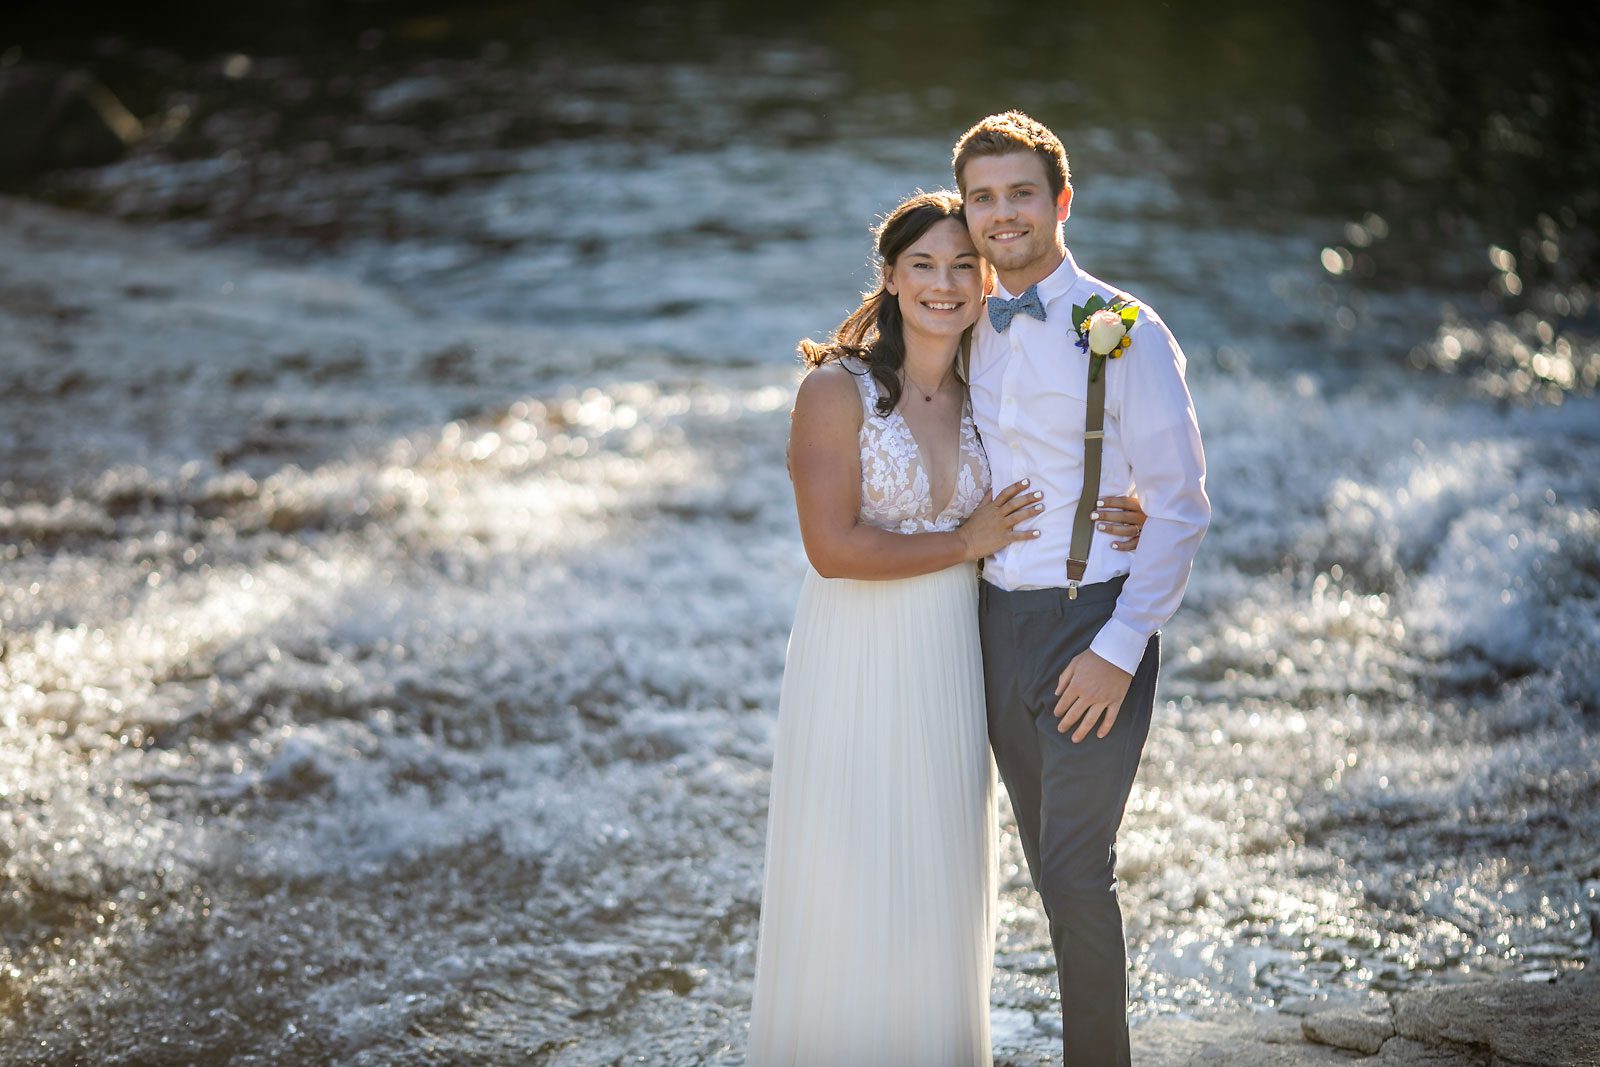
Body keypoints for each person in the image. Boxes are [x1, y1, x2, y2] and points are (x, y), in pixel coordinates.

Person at [745, 190, 1148, 1066]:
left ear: (986, 277)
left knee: (932, 876)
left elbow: (1072, 462)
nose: (945, 282)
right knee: (851, 869)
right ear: (889, 278)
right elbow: (831, 548)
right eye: (923, 264)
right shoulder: (832, 390)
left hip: (950, 660)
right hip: (853, 658)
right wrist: (965, 539)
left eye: (965, 264)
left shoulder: (988, 387)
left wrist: (1129, 509)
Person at [955, 111, 1210, 1067]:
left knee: (1071, 871)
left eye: (1021, 193)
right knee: (1042, 868)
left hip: (1093, 624)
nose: (1002, 214)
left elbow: (1181, 507)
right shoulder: (959, 318)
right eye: (983, 197)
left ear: (1061, 202)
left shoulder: (1128, 331)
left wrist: (1118, 648)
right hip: (990, 624)